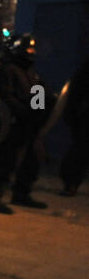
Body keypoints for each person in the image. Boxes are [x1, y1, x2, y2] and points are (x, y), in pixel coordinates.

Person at [0, 34, 47, 213]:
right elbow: (5, 97)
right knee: (6, 160)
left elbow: (37, 91)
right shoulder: (4, 70)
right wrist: (24, 112)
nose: (31, 53)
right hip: (13, 123)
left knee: (32, 159)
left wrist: (40, 110)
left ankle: (21, 193)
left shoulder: (28, 70)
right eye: (28, 49)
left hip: (29, 123)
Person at [59, 56, 89, 196]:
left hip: (81, 116)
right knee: (79, 151)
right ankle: (71, 183)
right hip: (82, 117)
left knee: (79, 151)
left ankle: (71, 183)